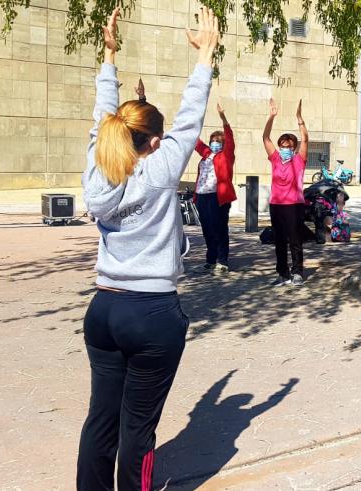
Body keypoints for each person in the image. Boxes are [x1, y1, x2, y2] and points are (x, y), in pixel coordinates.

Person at [77, 7, 218, 490]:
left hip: (103, 309)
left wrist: (109, 58)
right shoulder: (159, 168)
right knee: (138, 429)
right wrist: (205, 55)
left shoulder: (99, 166)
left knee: (101, 422)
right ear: (155, 142)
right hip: (152, 313)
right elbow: (191, 114)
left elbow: (103, 119)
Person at [262, 97, 309, 286]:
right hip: (276, 204)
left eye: (288, 147)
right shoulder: (274, 159)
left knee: (295, 240)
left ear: (294, 148)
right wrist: (271, 117)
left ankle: (297, 271)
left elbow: (305, 138)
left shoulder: (299, 160)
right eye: (282, 146)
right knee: (279, 240)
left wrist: (299, 118)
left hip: (294, 205)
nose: (284, 149)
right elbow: (265, 138)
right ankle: (283, 273)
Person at [193, 102, 236, 274]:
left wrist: (223, 117)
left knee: (219, 229)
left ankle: (222, 261)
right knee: (207, 230)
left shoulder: (226, 156)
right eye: (213, 141)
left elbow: (230, 137)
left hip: (218, 197)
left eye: (218, 141)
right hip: (202, 196)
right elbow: (195, 141)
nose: (214, 143)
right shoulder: (206, 155)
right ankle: (210, 260)